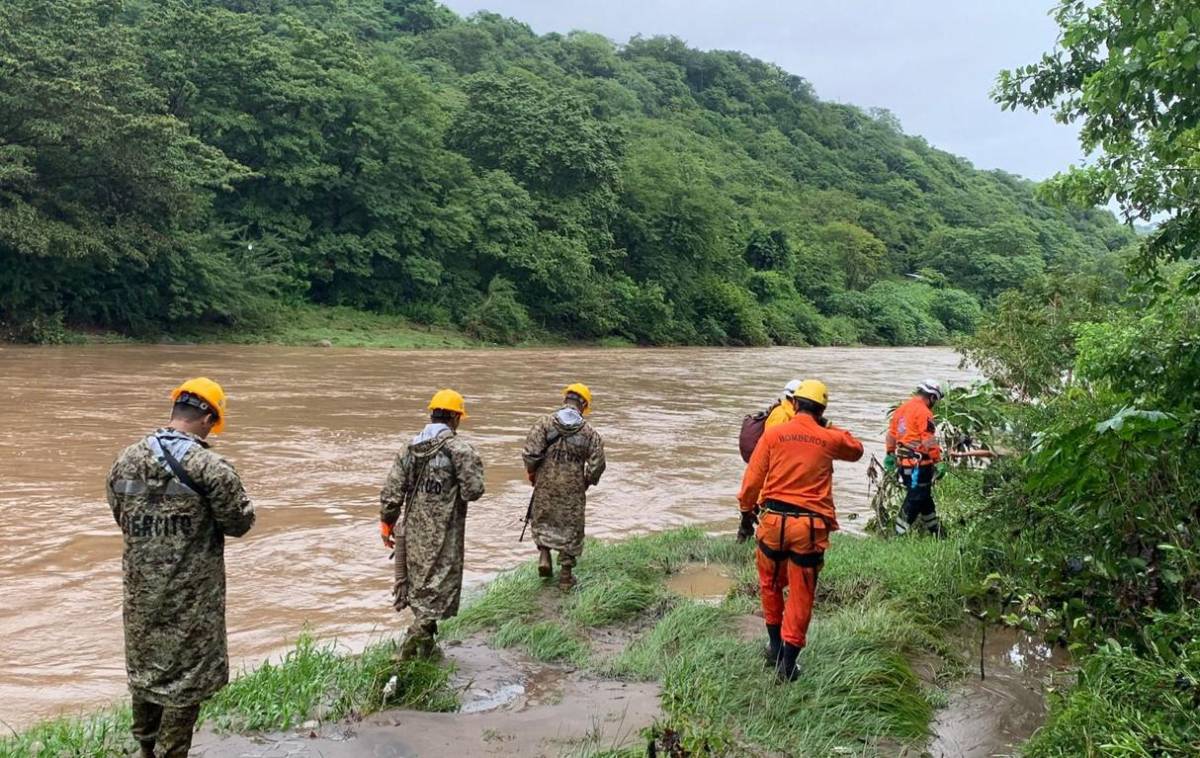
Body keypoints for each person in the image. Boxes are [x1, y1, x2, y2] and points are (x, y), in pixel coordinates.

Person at [106, 378, 255, 758]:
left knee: (146, 673)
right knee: (185, 683)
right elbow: (239, 523)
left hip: (141, 598)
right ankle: (171, 751)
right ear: (207, 418)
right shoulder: (210, 467)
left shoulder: (125, 459)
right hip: (191, 602)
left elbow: (120, 515)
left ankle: (146, 747)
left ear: (176, 410)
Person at [737, 380, 864, 682]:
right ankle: (788, 665)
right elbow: (856, 449)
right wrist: (826, 425)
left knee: (770, 585)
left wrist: (745, 513)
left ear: (794, 404)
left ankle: (774, 647)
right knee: (800, 595)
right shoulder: (828, 437)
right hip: (808, 529)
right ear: (821, 409)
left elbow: (752, 480)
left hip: (772, 524)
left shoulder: (774, 434)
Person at [380, 389, 485, 660]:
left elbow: (392, 492)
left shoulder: (409, 448)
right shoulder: (460, 450)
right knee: (439, 586)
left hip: (413, 531)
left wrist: (386, 523)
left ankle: (427, 648)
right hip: (445, 533)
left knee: (418, 584)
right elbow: (474, 490)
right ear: (455, 418)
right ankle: (409, 646)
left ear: (432, 415)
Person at [522, 383, 606, 590]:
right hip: (573, 488)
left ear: (565, 400)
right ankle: (566, 577)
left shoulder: (544, 424)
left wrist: (533, 473)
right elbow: (598, 465)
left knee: (542, 518)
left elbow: (530, 454)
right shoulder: (589, 433)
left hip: (545, 484)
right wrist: (586, 481)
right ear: (583, 405)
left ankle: (544, 555)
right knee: (571, 528)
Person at [737, 379, 804, 542]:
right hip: (773, 470)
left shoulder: (793, 415)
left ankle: (750, 531)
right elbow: (771, 447)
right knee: (764, 505)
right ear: (795, 399)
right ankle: (749, 533)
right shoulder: (780, 415)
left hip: (781, 471)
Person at [884, 379, 946, 537]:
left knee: (924, 499)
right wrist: (938, 461)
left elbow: (891, 434)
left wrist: (890, 454)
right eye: (935, 400)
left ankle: (938, 533)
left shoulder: (902, 409)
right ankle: (897, 536)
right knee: (915, 499)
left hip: (904, 465)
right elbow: (928, 440)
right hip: (919, 466)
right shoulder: (924, 412)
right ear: (932, 397)